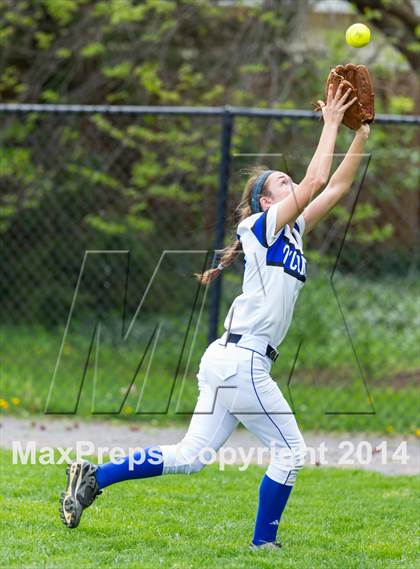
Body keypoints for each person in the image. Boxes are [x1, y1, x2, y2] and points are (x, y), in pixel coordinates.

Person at [59, 84, 370, 549]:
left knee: (191, 455)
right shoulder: (258, 227)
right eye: (280, 182)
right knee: (290, 452)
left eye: (287, 178)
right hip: (243, 361)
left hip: (232, 359)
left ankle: (94, 476)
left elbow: (339, 185)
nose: (290, 184)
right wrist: (329, 124)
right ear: (266, 202)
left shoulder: (294, 230)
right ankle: (264, 544)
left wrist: (361, 132)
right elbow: (314, 184)